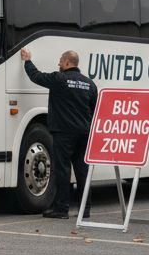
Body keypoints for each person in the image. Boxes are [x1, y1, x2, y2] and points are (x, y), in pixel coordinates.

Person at [20, 48, 97, 219]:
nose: (59, 63)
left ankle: (61, 209)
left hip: (64, 133)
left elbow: (37, 76)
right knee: (83, 171)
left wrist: (27, 61)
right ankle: (85, 210)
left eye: (61, 61)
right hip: (84, 133)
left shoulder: (59, 79)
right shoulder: (89, 84)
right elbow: (94, 108)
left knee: (62, 171)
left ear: (68, 62)